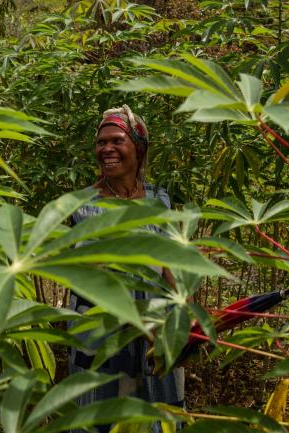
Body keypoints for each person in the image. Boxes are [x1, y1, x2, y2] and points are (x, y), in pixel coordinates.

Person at [68, 105, 184, 433]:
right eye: (101, 142)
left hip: (156, 332)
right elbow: (94, 277)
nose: (107, 149)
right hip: (100, 333)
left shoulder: (159, 199)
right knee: (98, 418)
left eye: (117, 141)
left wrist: (180, 317)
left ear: (139, 147)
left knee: (158, 418)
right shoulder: (82, 205)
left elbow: (168, 264)